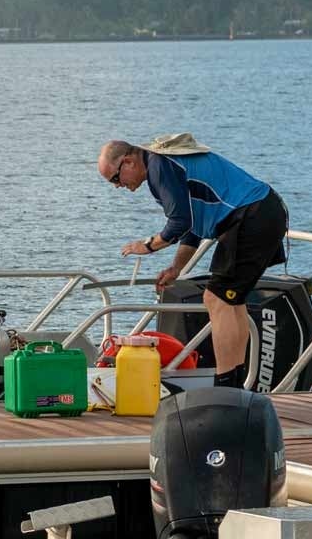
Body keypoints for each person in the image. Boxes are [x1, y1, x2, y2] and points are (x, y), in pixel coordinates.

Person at [98, 135, 287, 389]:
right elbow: (192, 226)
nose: (117, 186)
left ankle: (226, 383)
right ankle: (233, 381)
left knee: (217, 298)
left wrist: (148, 245)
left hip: (251, 215)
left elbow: (178, 223)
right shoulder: (161, 166)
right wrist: (176, 268)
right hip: (259, 212)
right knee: (231, 300)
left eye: (115, 179)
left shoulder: (159, 167)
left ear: (128, 161)